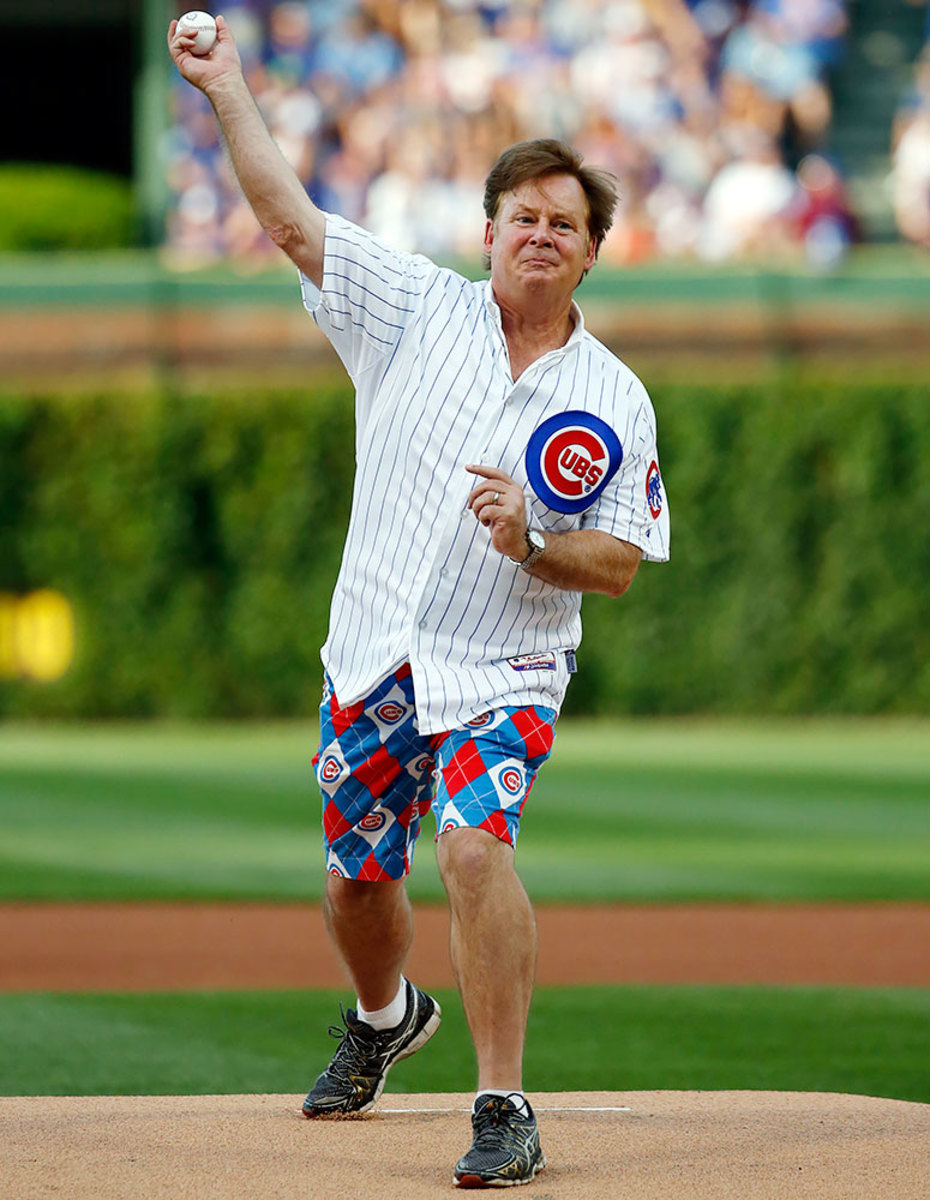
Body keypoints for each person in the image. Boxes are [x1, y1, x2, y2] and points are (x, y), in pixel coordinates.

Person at [170, 14, 670, 1189]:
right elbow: (291, 222)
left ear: (593, 253)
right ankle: (387, 1015)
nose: (542, 235)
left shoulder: (613, 396)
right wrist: (227, 86)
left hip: (505, 667)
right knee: (355, 877)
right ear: (486, 231)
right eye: (525, 216)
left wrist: (535, 538)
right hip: (375, 651)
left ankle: (504, 1106)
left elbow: (619, 565)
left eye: (567, 223)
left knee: (472, 844)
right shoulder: (412, 307)